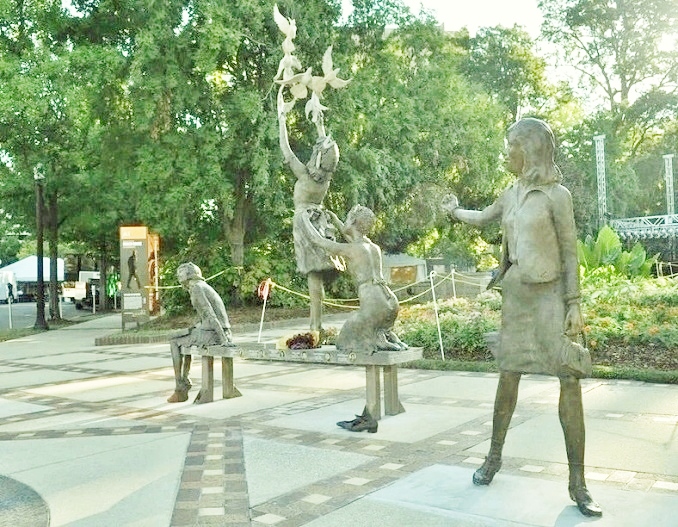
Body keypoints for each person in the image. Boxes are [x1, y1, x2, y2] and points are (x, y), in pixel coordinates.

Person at [441, 117, 602, 517]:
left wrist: (574, 302)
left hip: (550, 297)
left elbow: (568, 250)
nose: (506, 153)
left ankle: (578, 483)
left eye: (511, 145)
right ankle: (493, 458)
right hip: (517, 298)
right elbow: (482, 217)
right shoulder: (510, 194)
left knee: (569, 379)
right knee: (508, 376)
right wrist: (454, 211)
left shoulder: (556, 196)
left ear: (528, 149)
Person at [302, 205, 407, 354]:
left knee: (344, 341)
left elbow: (317, 240)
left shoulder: (351, 250)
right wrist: (337, 220)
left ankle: (377, 340)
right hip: (389, 300)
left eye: (347, 218)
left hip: (373, 303)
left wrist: (304, 219)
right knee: (376, 330)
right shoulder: (372, 247)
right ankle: (383, 338)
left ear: (352, 222)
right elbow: (352, 237)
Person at [278, 90, 342, 334]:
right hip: (320, 221)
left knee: (313, 276)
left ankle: (315, 324)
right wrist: (320, 123)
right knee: (316, 276)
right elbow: (326, 147)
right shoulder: (324, 180)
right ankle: (317, 323)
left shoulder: (304, 175)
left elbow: (286, 148)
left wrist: (282, 119)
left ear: (316, 158)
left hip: (305, 221)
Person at [167, 262, 235, 403]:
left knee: (174, 341)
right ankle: (184, 380)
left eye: (180, 273)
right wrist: (194, 327)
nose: (178, 276)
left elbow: (210, 314)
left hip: (215, 334)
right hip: (216, 331)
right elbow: (205, 316)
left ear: (187, 275)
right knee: (183, 337)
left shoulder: (197, 288)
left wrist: (223, 340)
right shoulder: (201, 286)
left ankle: (180, 387)